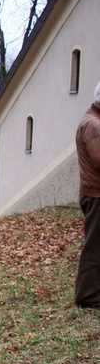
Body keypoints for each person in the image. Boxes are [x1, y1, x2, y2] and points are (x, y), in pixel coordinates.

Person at [75, 81, 100, 308]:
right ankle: (87, 296)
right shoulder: (93, 126)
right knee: (94, 247)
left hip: (94, 193)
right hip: (96, 195)